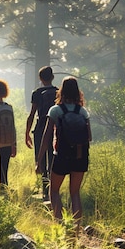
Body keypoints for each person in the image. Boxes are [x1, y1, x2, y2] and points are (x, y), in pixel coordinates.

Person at [36, 76, 91, 224]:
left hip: (61, 155)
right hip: (80, 155)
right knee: (75, 193)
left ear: (62, 91)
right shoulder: (83, 112)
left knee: (54, 191)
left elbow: (46, 137)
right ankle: (76, 230)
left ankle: (59, 224)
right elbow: (89, 137)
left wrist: (39, 160)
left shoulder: (55, 110)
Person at [26, 66, 58, 201]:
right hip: (55, 129)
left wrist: (27, 132)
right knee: (52, 157)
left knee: (40, 158)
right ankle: (52, 189)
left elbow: (32, 113)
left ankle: (45, 189)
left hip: (40, 128)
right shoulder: (58, 92)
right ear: (52, 77)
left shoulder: (37, 93)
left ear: (40, 78)